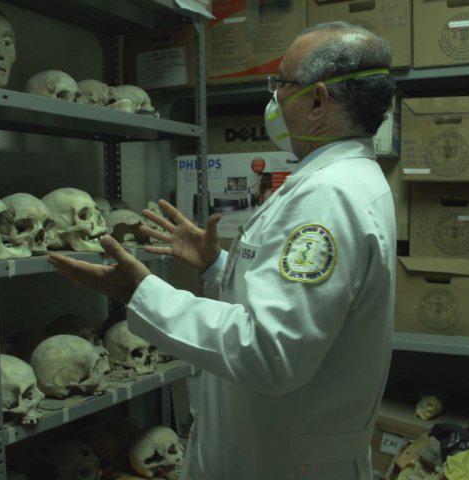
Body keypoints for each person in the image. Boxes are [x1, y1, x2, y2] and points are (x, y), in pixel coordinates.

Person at [49, 21, 397, 480]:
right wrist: (216, 267)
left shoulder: (329, 196)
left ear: (317, 101)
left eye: (281, 84)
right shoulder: (341, 182)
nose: (273, 98)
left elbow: (272, 352)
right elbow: (298, 309)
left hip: (281, 462)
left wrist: (144, 293)